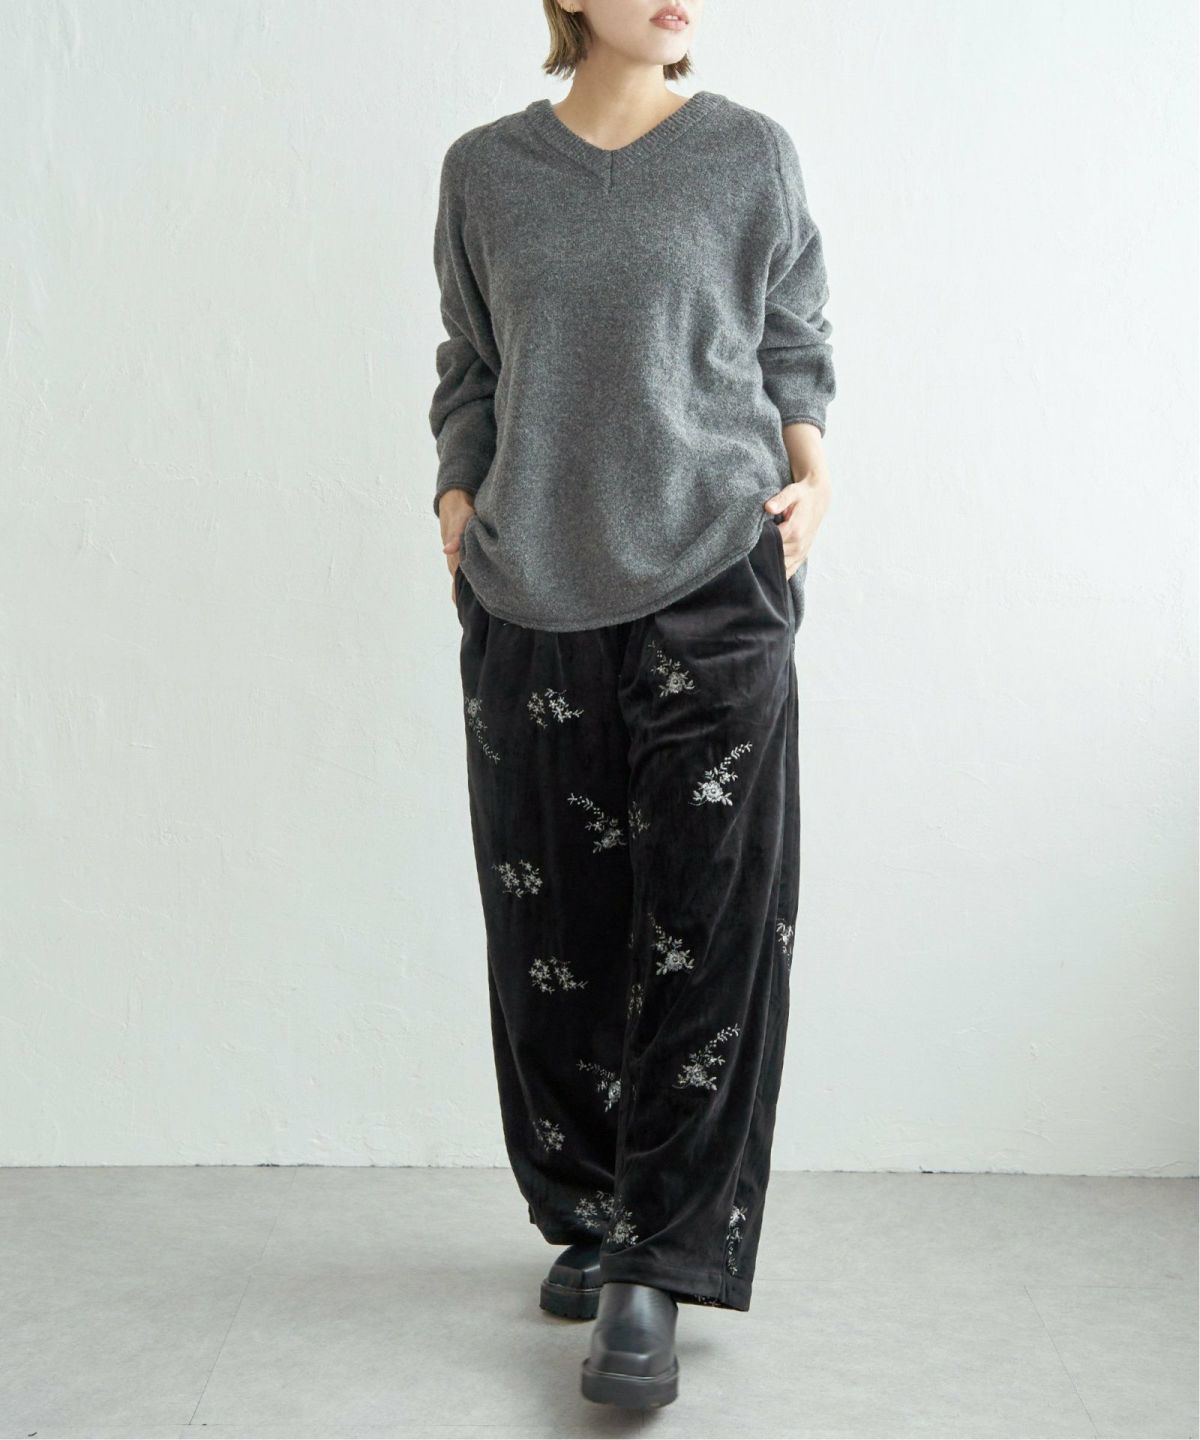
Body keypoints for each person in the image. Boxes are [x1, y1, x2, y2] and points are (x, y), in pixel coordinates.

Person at [428, 0, 835, 1410]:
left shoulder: (748, 153)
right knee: (555, 927)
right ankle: (590, 1209)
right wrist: (456, 491)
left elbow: (793, 340)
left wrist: (816, 474)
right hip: (531, 586)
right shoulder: (487, 171)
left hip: (717, 572)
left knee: (708, 924)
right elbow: (471, 361)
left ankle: (655, 1263)